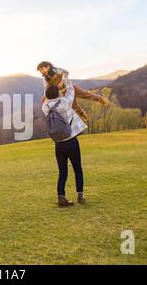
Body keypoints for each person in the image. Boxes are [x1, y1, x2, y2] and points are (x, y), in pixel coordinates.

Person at [42, 75, 88, 207]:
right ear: (58, 93)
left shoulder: (45, 108)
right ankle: (80, 195)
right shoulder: (65, 103)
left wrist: (47, 86)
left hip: (58, 144)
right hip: (71, 141)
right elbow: (70, 90)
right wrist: (65, 79)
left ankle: (61, 198)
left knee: (62, 172)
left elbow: (47, 98)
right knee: (77, 169)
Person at [37, 61, 109, 122]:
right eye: (40, 70)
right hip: (64, 93)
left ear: (48, 67)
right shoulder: (45, 79)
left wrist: (62, 81)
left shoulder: (55, 70)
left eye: (42, 69)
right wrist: (45, 96)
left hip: (70, 88)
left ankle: (101, 99)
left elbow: (65, 72)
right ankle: (82, 114)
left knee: (85, 94)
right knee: (74, 106)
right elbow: (47, 88)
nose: (42, 71)